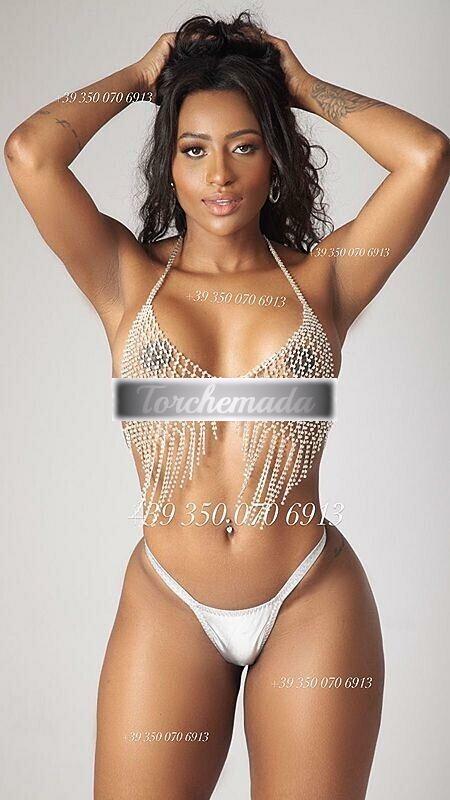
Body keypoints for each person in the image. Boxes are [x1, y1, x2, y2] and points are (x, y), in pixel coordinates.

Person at [4, 11, 449, 799]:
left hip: (310, 599)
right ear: (169, 163)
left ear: (274, 156)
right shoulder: (126, 280)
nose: (219, 174)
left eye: (244, 146)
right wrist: (139, 79)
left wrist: (304, 89)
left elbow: (427, 156)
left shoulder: (324, 281)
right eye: (194, 149)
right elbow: (31, 153)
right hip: (169, 601)